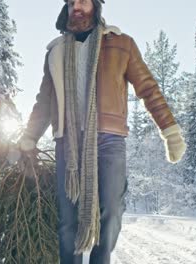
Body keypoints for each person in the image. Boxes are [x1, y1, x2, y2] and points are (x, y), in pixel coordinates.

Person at [10, 1, 187, 263]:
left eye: (83, 1)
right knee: (68, 218)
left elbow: (148, 89)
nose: (77, 7)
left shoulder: (121, 44)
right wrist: (28, 137)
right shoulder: (56, 51)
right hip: (67, 142)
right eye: (71, 3)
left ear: (95, 5)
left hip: (109, 139)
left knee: (111, 210)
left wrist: (169, 130)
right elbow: (44, 103)